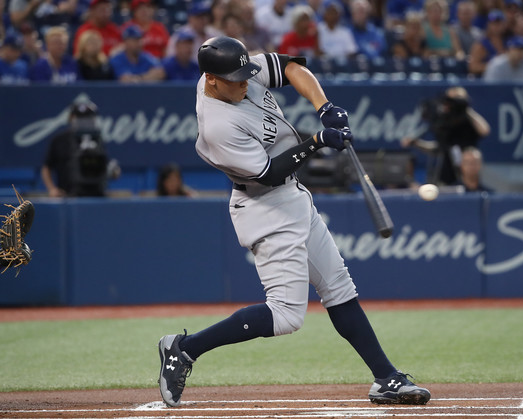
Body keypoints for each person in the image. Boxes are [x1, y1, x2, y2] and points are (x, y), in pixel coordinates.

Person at [157, 36, 431, 408]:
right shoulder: (217, 126)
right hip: (263, 205)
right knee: (286, 316)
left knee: (339, 287)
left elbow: (289, 66)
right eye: (235, 79)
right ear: (211, 79)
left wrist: (325, 106)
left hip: (292, 196)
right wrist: (317, 140)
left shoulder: (236, 73)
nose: (244, 82)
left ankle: (386, 378)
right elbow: (268, 174)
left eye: (244, 74)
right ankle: (184, 348)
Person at [402, 86, 490, 185]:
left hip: (469, 176)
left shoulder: (469, 120)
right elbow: (438, 147)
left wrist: (465, 108)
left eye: (457, 99)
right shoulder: (444, 121)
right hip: (447, 175)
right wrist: (417, 143)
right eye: (450, 100)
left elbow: (485, 130)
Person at [41, 100, 118, 197]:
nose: (84, 121)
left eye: (87, 117)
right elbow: (46, 167)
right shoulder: (59, 140)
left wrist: (113, 171)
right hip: (67, 195)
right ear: (71, 118)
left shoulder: (97, 139)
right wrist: (52, 189)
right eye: (80, 117)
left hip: (96, 195)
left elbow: (105, 166)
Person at [468, 9, 507, 77]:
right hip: (486, 81)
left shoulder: (508, 42)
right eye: (493, 23)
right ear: (488, 24)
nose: (496, 26)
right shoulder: (481, 45)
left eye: (499, 23)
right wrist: (492, 66)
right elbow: (473, 67)